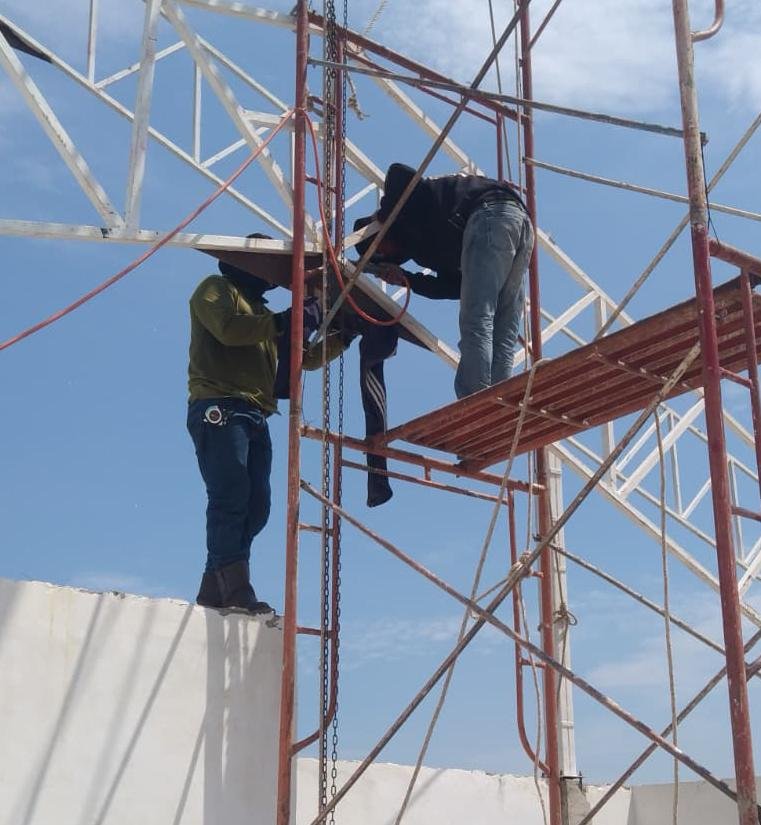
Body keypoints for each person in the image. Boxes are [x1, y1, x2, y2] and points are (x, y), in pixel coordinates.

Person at [187, 248, 347, 615]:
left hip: (255, 413)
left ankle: (214, 586)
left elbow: (302, 359)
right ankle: (235, 586)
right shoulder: (215, 289)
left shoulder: (261, 312)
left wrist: (343, 337)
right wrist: (287, 320)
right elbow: (228, 330)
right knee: (231, 495)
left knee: (256, 506)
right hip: (220, 405)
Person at [354, 163, 534, 399]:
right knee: (503, 328)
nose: (386, 253)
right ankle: (500, 401)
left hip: (488, 214)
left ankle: (475, 401)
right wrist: (408, 280)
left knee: (477, 318)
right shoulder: (424, 248)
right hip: (517, 223)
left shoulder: (408, 211)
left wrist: (385, 214)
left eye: (381, 248)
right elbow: (454, 286)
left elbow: (399, 173)